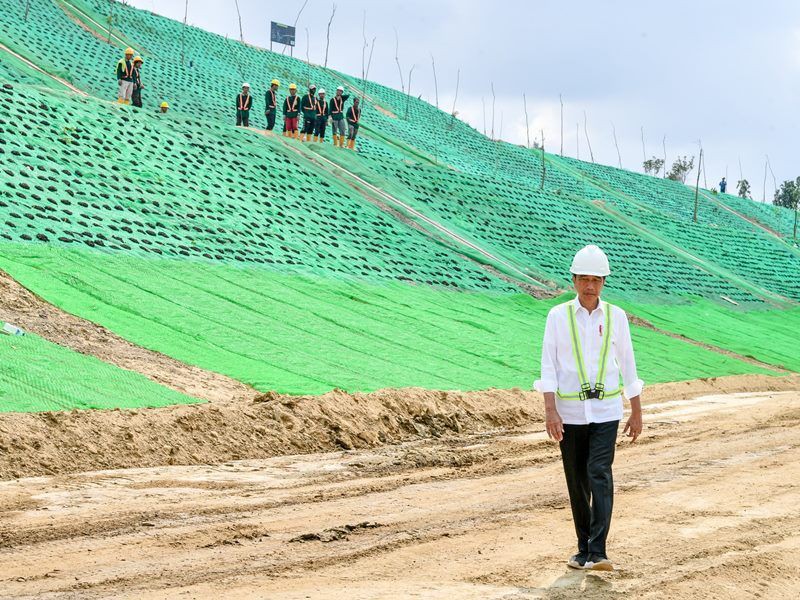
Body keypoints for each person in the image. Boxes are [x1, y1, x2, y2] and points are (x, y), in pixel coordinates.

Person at [535, 244, 643, 572]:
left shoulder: (616, 317)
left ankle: (598, 552)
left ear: (604, 282)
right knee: (577, 479)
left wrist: (636, 410)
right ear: (573, 280)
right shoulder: (558, 316)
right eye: (584, 279)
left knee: (600, 473)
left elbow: (628, 363)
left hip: (608, 410)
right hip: (569, 413)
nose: (590, 286)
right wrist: (550, 410)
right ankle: (582, 549)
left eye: (596, 279)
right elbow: (548, 366)